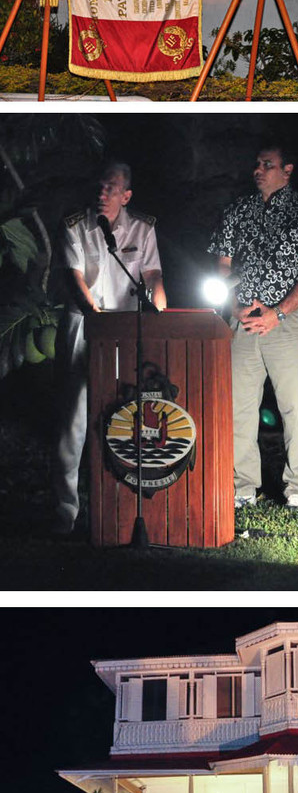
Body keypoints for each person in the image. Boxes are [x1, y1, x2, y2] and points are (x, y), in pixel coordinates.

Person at [53, 155, 167, 536]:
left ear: (126, 195)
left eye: (112, 189)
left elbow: (152, 275)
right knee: (74, 419)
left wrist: (158, 312)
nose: (103, 193)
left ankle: (115, 507)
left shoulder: (143, 228)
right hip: (85, 326)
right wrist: (96, 315)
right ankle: (65, 512)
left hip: (124, 329)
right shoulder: (75, 225)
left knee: (123, 414)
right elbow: (74, 277)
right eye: (100, 186)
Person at [218, 142, 298, 512]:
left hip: (288, 320)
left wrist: (278, 312)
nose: (259, 170)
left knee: (295, 406)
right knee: (239, 406)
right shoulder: (238, 210)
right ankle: (243, 486)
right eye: (257, 164)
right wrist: (233, 305)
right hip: (243, 318)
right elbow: (222, 264)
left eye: (267, 164)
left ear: (288, 170)